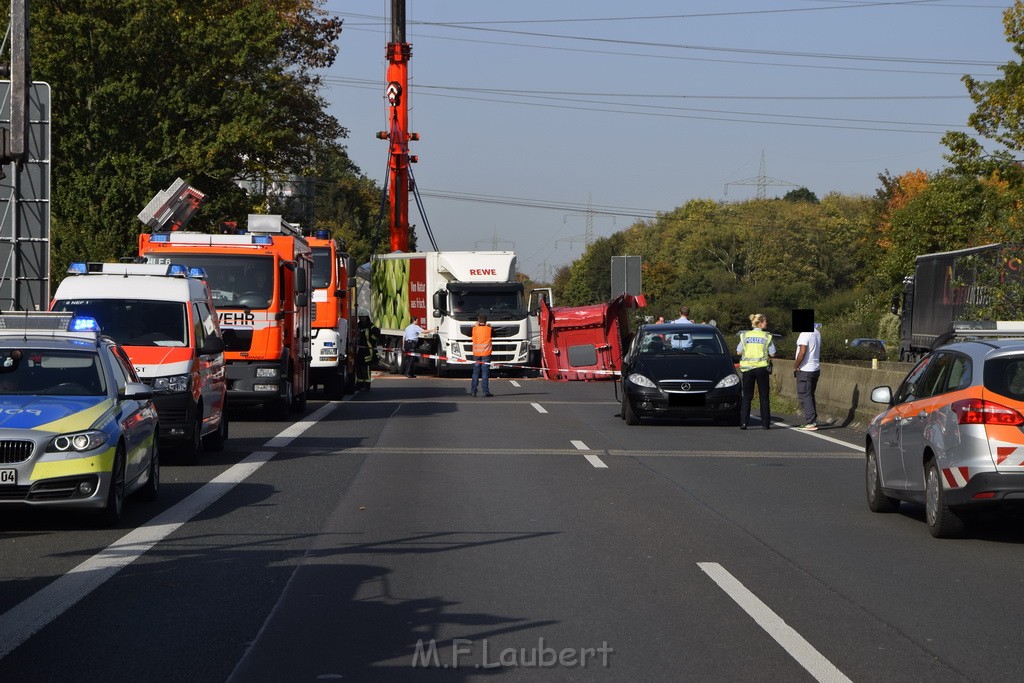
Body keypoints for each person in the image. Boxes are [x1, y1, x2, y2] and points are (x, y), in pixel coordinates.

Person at [736, 313, 776, 430]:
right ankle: (765, 424)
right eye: (765, 321)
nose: (767, 323)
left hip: (748, 369)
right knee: (764, 397)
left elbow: (738, 352)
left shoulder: (745, 335)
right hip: (761, 368)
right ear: (760, 323)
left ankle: (744, 422)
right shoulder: (767, 337)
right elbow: (772, 353)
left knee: (747, 396)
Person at [793, 322, 822, 430]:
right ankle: (813, 418)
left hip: (805, 369)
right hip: (815, 368)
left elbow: (803, 351)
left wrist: (796, 365)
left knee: (805, 395)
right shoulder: (817, 332)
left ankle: (810, 422)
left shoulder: (804, 334)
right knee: (810, 395)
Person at [470, 313, 494, 397]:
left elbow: (467, 334)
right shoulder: (489, 329)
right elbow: (495, 335)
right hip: (486, 354)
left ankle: (473, 391)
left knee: (475, 372)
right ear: (486, 321)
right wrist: (489, 326)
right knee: (485, 373)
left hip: (476, 354)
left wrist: (475, 326)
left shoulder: (474, 329)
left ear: (478, 321)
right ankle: (485, 392)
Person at [355, 316, 379, 390]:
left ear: (367, 317)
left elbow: (377, 333)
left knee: (366, 367)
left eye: (364, 317)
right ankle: (359, 383)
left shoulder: (370, 325)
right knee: (358, 367)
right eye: (361, 317)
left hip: (367, 350)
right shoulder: (358, 325)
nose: (362, 318)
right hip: (359, 349)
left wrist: (371, 341)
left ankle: (366, 385)